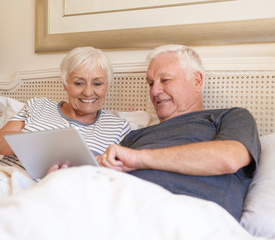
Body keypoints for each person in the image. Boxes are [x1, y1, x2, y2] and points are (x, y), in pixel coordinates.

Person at [98, 44, 261, 221]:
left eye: (165, 80)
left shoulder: (229, 116)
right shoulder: (134, 136)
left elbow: (228, 158)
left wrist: (139, 159)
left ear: (197, 81)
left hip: (187, 215)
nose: (154, 91)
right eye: (151, 83)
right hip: (119, 212)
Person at [0, 46, 131, 171]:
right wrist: (41, 143)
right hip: (6, 176)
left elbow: (123, 174)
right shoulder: (38, 105)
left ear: (108, 86)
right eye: (79, 83)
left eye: (97, 83)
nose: (88, 92)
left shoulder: (119, 127)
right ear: (65, 84)